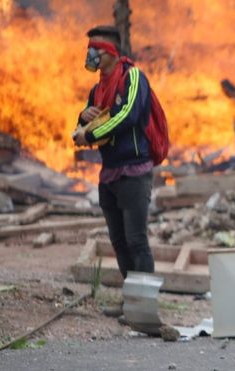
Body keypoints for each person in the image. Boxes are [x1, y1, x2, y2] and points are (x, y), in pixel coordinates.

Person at [73, 25, 153, 318]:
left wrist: (89, 136)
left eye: (94, 48)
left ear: (109, 52)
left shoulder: (133, 78)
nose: (89, 54)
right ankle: (129, 301)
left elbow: (128, 115)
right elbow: (82, 129)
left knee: (136, 240)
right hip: (109, 175)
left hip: (134, 173)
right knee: (119, 242)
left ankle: (144, 308)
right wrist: (82, 119)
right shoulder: (97, 89)